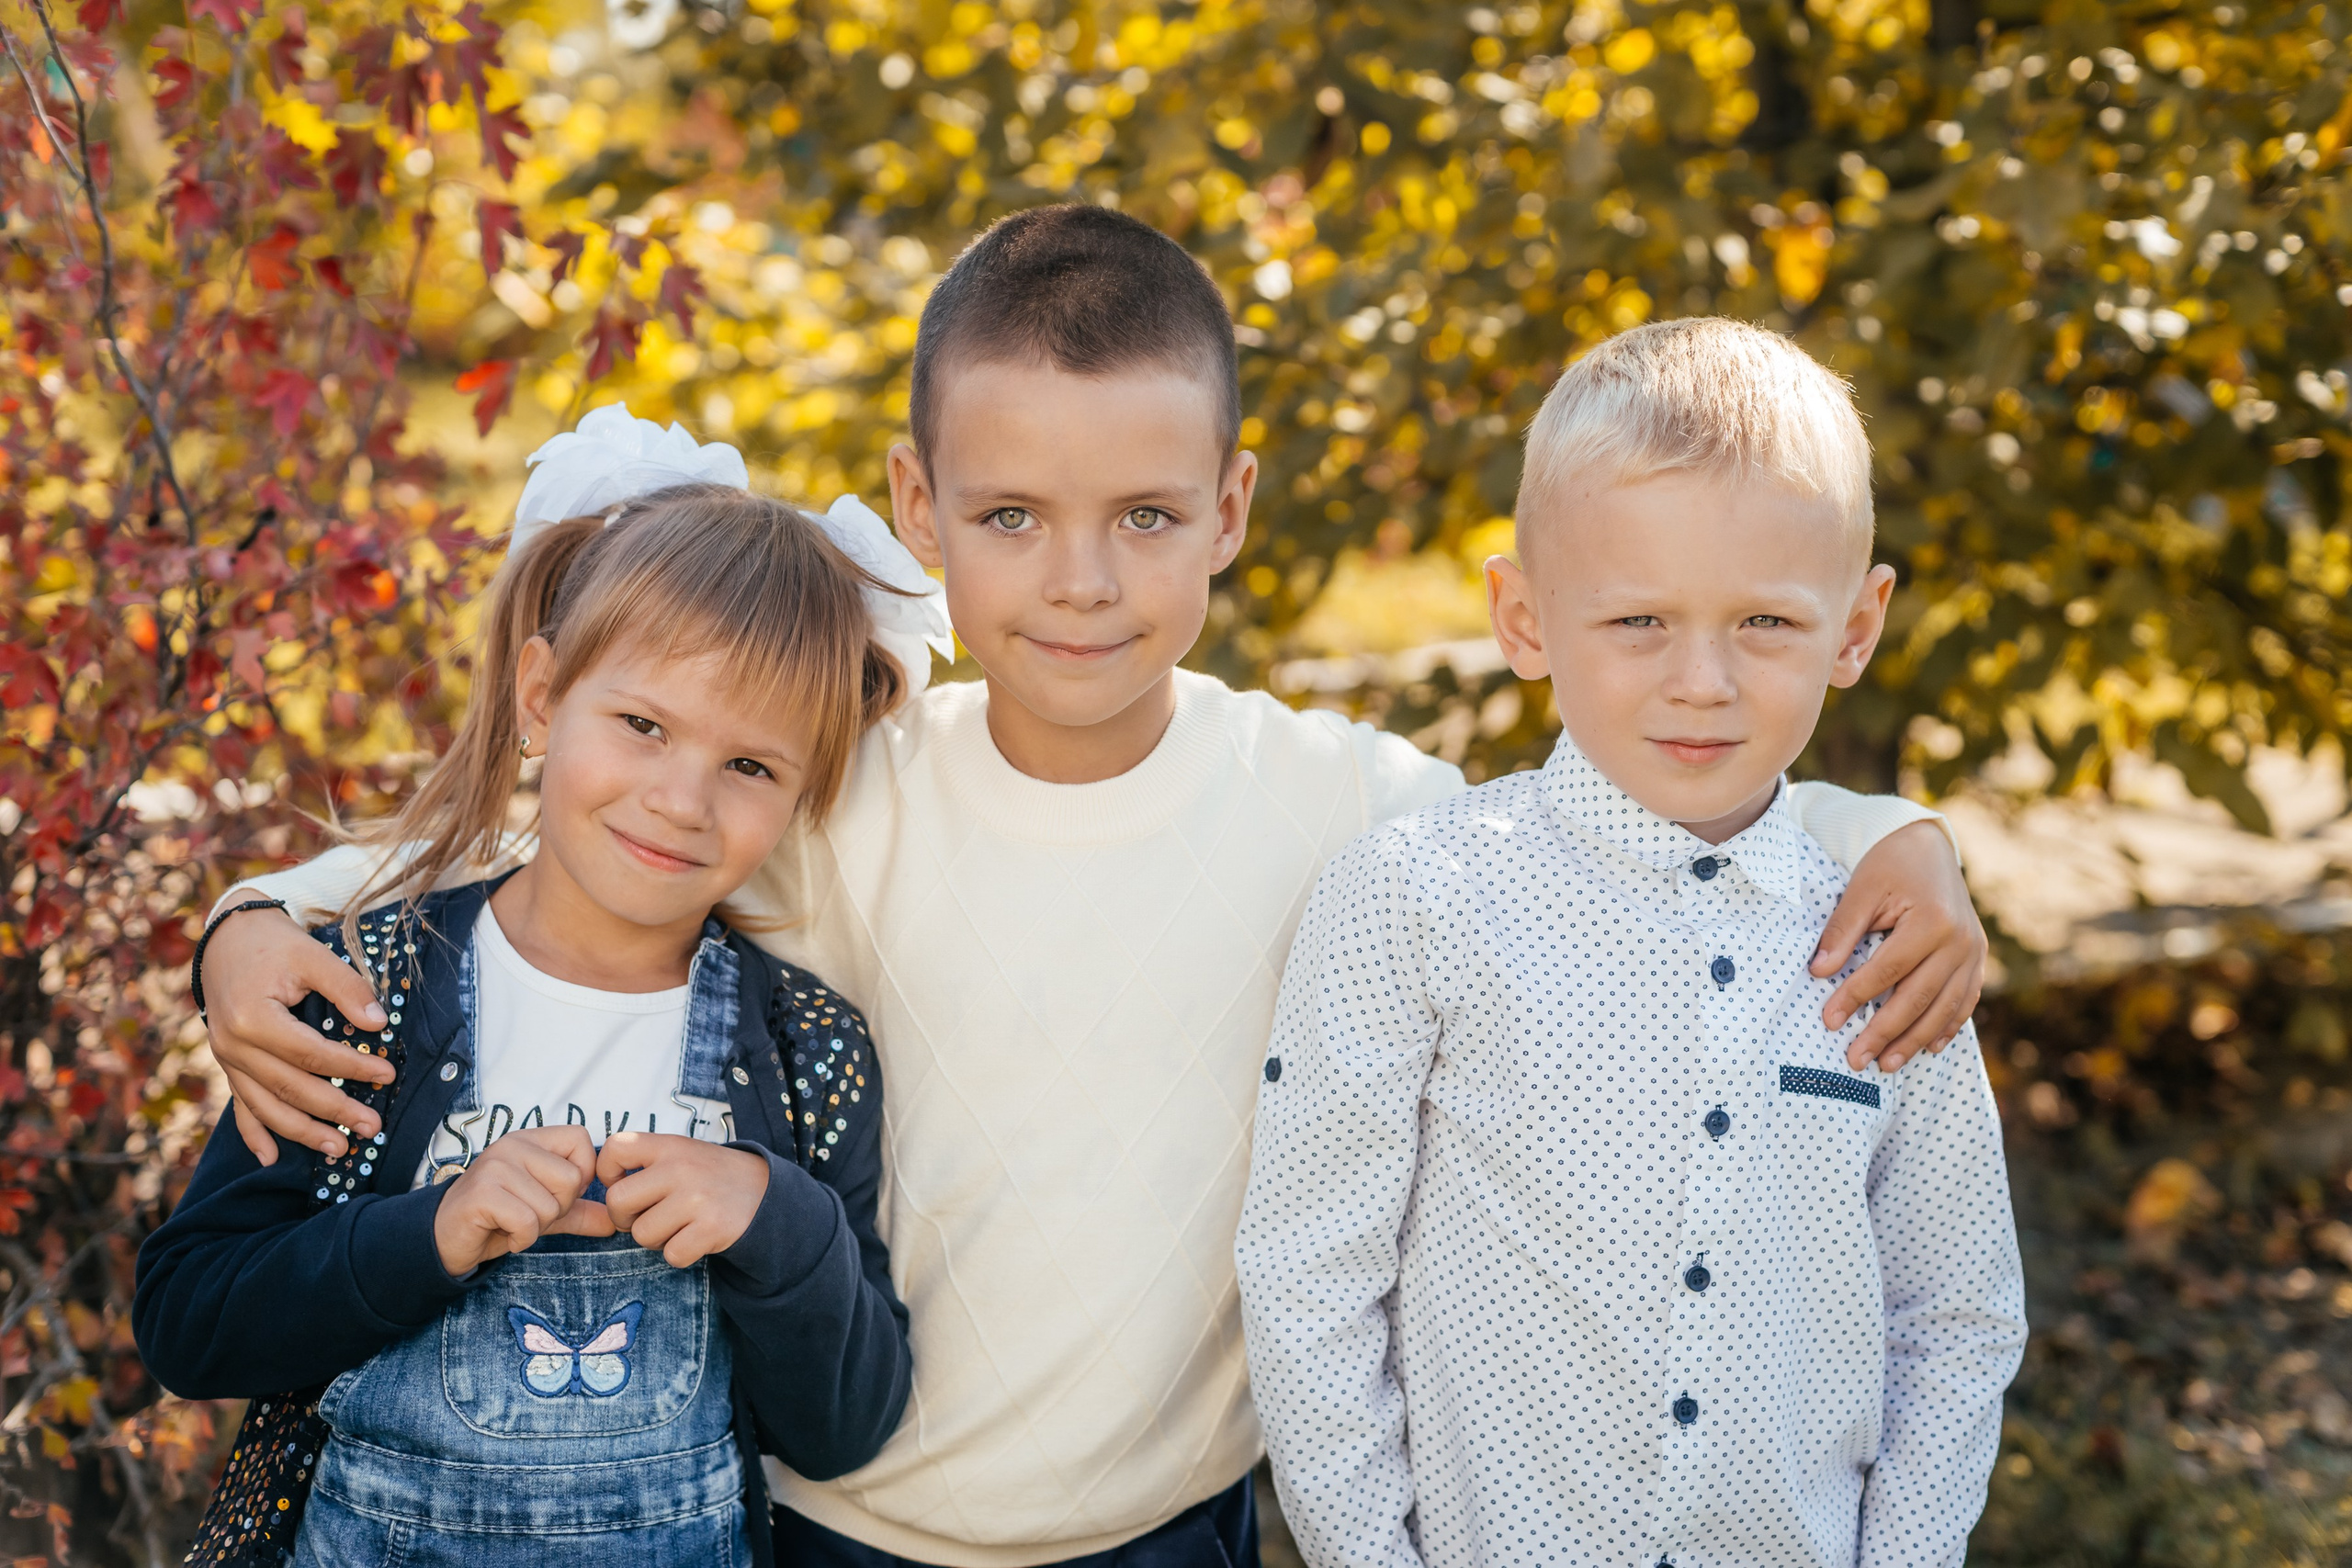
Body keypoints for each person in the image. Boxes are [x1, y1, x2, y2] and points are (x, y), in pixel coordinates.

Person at [187, 209, 1987, 1568]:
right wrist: (259, 910)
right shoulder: (844, 788)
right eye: (1007, 516)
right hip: (830, 1516)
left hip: (1168, 1525)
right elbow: (566, 835)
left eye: (1143, 513)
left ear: (1227, 508)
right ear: (917, 497)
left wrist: (1874, 822)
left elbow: (1626, 804)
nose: (1077, 583)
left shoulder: (1336, 804)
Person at [1236, 317, 2029, 1568]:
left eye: (1766, 622)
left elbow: (1954, 1313)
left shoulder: (1890, 940)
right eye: (1639, 621)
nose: (1702, 679)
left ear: (1857, 625)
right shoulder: (1414, 899)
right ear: (1526, 615)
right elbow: (1311, 1280)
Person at [134, 431, 927, 1567]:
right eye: (643, 726)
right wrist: (432, 1230)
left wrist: (773, 1218)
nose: (682, 800)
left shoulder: (806, 1050)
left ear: (806, 792)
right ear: (544, 695)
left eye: (750, 767)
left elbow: (843, 1429)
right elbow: (190, 1325)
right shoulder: (375, 998)